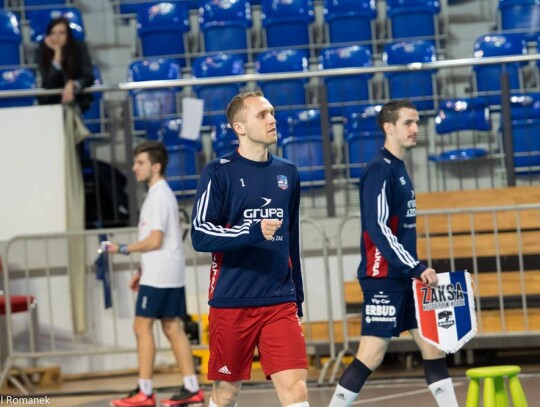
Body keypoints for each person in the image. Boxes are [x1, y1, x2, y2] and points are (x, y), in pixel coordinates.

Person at [328, 100, 459, 407]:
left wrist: (412, 270)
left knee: (433, 347)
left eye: (417, 122)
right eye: (408, 123)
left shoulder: (399, 168)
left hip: (406, 278)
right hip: (384, 278)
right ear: (389, 128)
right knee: (370, 356)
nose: (416, 129)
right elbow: (378, 228)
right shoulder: (378, 171)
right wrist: (415, 266)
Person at [190, 91, 309, 407]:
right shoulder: (218, 172)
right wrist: (252, 231)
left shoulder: (288, 172)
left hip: (279, 300)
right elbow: (200, 234)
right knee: (226, 394)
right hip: (232, 300)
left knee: (296, 390)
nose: (272, 119)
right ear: (238, 127)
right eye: (262, 115)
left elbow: (291, 239)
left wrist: (297, 299)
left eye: (272, 112)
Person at [106, 141, 204, 407]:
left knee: (143, 326)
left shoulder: (159, 195)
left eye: (140, 163)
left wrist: (121, 248)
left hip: (160, 275)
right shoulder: (159, 194)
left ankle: (146, 391)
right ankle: (191, 386)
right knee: (173, 327)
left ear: (156, 166)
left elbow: (154, 240)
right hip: (163, 271)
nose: (135, 167)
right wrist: (142, 269)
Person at [37, 16, 95, 114]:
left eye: (62, 33)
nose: (57, 37)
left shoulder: (79, 47)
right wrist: (57, 55)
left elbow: (88, 76)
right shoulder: (42, 51)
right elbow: (48, 83)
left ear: (68, 35)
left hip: (78, 102)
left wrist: (73, 85)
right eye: (53, 33)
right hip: (51, 103)